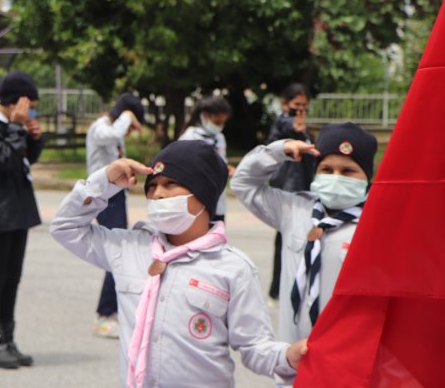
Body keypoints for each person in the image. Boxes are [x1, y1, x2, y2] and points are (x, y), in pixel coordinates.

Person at [51, 140, 307, 387]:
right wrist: (104, 181)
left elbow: (254, 346)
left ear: (204, 194)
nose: (158, 194)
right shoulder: (129, 247)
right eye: (152, 187)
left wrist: (287, 356)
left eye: (171, 184)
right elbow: (65, 227)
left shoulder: (233, 267)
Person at [231, 123, 377, 350]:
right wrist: (278, 151)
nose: (336, 177)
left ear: (367, 176)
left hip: (348, 357)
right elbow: (243, 183)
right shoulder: (294, 208)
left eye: (348, 171)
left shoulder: (377, 223)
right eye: (327, 170)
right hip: (293, 356)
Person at [0, 70, 45, 369]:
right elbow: (4, 160)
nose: (32, 110)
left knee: (12, 279)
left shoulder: (14, 125)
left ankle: (9, 340)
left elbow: (26, 159)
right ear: (18, 102)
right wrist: (17, 127)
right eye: (31, 104)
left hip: (17, 210)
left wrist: (34, 139)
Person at [85, 92, 145, 338]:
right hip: (104, 197)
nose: (129, 130)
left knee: (120, 252)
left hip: (115, 196)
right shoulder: (100, 128)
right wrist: (127, 118)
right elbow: (111, 135)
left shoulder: (111, 130)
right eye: (131, 125)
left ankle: (113, 312)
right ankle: (105, 314)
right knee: (117, 253)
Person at [265, 83, 316, 301]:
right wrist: (297, 128)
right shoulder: (283, 124)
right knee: (285, 238)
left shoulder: (302, 128)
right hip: (287, 189)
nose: (300, 109)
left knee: (300, 238)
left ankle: (291, 284)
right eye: (296, 105)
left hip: (304, 187)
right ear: (286, 104)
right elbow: (281, 138)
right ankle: (278, 287)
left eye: (304, 105)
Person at [178, 96, 237, 221]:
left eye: (222, 123)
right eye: (217, 122)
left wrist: (226, 169)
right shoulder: (190, 137)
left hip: (218, 199)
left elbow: (221, 161)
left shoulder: (219, 137)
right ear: (204, 116)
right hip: (197, 198)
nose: (220, 126)